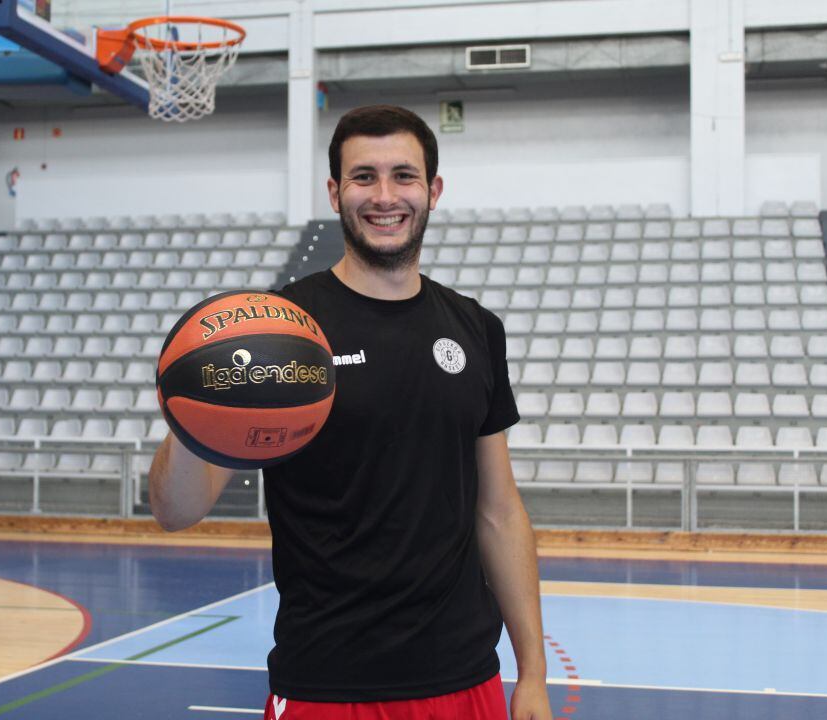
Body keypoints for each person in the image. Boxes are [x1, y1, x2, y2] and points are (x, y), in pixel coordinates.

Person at [149, 104, 553, 720]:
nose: (385, 196)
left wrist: (533, 673)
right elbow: (178, 511)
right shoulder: (280, 331)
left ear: (433, 191)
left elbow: (499, 511)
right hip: (327, 682)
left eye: (404, 176)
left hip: (465, 676)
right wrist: (193, 399)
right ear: (335, 192)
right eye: (364, 177)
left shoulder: (475, 328)